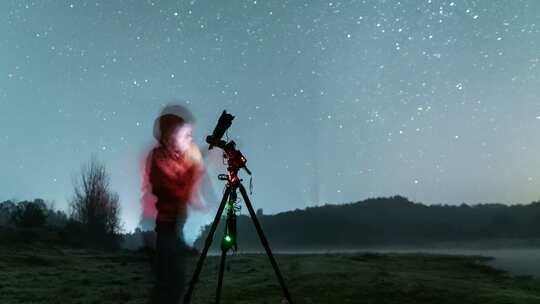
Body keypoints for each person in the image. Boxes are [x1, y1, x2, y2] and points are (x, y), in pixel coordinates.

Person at [144, 105, 213, 304]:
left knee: (174, 282)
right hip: (166, 228)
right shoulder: (157, 157)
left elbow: (189, 178)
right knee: (169, 283)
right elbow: (165, 187)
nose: (188, 138)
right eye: (183, 133)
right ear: (169, 134)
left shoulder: (178, 157)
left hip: (176, 225)